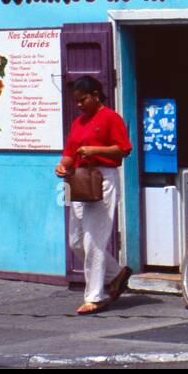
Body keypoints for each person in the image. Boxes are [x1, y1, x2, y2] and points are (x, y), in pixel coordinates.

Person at [55, 76, 133, 315]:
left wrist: (95, 150)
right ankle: (116, 274)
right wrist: (63, 165)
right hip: (79, 179)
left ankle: (96, 296)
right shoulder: (78, 123)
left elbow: (122, 151)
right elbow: (70, 152)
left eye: (83, 99)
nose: (79, 105)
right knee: (76, 240)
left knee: (94, 239)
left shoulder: (111, 118)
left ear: (96, 95)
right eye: (76, 101)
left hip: (102, 178)